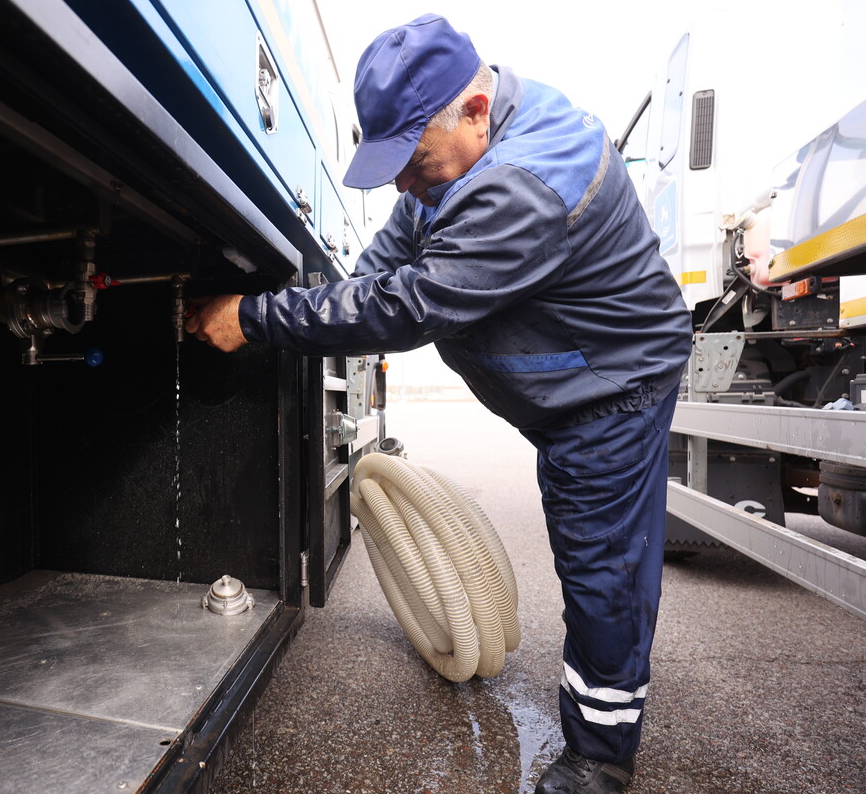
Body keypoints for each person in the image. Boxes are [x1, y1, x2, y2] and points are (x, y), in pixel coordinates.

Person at [186, 13, 692, 794]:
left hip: (610, 390)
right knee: (589, 550)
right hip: (563, 381)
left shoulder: (527, 180)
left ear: (476, 110)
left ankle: (600, 758)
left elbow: (408, 305)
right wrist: (329, 307)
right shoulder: (449, 162)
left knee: (601, 568)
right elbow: (383, 263)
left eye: (414, 163)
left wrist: (254, 320)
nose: (406, 185)